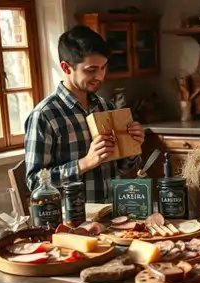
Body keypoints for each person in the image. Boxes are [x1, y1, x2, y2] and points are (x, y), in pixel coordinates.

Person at [24, 25, 144, 203]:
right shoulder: (44, 116)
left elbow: (123, 169)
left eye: (103, 68)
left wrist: (132, 147)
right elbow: (35, 183)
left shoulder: (107, 108)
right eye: (91, 70)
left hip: (114, 214)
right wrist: (84, 163)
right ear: (66, 67)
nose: (100, 76)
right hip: (73, 222)